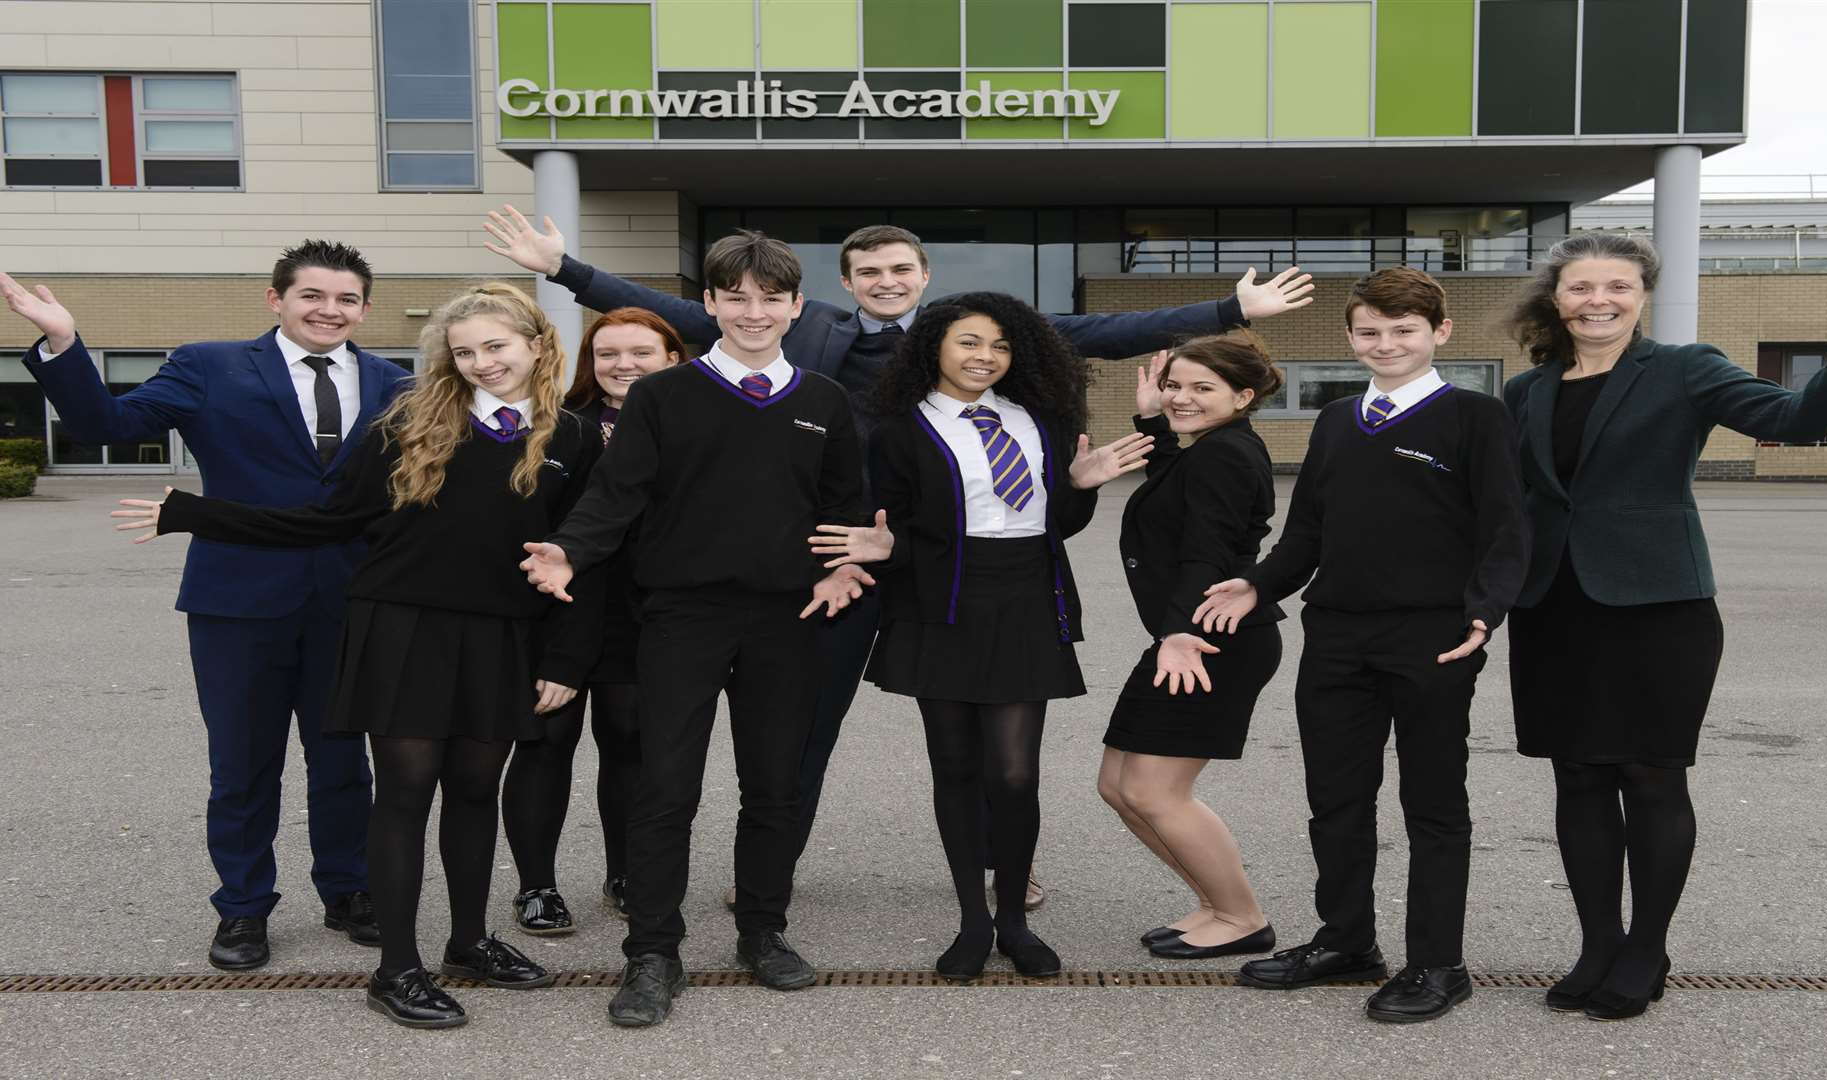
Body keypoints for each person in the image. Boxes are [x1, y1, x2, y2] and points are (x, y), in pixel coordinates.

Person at [484, 207, 1316, 911]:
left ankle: (1006, 866)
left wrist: (1225, 308)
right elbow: (684, 316)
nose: (885, 282)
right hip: (836, 559)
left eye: (898, 269)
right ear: (845, 285)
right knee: (802, 728)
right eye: (868, 272)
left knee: (977, 732)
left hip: (938, 563)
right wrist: (564, 268)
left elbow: (1101, 331)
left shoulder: (971, 336)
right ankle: (771, 877)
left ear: (923, 274)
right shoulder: (804, 332)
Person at [110, 282, 603, 1028]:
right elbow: (325, 520)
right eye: (464, 351)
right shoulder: (408, 422)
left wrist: (565, 661)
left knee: (475, 790)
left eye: (495, 347)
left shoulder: (567, 437)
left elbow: (580, 559)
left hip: (504, 636)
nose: (480, 363)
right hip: (402, 629)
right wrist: (193, 513)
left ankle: (468, 942)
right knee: (406, 793)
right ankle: (396, 968)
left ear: (537, 343)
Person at [1499, 235, 1827, 1021]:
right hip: (1553, 606)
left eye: (1616, 286)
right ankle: (1597, 943)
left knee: (1650, 777)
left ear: (1642, 294)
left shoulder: (1686, 369)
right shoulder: (1528, 390)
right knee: (1578, 777)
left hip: (1660, 607)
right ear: (1556, 298)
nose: (1599, 300)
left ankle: (1646, 948)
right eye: (1581, 286)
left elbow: (1792, 420)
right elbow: (1512, 501)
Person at [2, 243, 407, 971]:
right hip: (237, 599)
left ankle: (350, 891)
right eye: (312, 295)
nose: (329, 310)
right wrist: (64, 343)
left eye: (346, 300)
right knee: (244, 763)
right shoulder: (209, 365)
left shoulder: (395, 383)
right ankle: (244, 908)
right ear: (275, 299)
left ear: (366, 310)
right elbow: (108, 425)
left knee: (344, 758)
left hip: (352, 599)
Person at [518, 231, 870, 1028]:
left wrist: (847, 567)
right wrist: (571, 553)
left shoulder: (822, 401)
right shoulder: (663, 397)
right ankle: (652, 951)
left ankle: (762, 931)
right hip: (681, 616)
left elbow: (843, 507)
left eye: (770, 298)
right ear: (708, 303)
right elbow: (617, 493)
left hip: (787, 619)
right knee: (663, 786)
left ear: (794, 306)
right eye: (735, 297)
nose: (754, 312)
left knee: (775, 786)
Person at [1194, 268, 1529, 1023]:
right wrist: (1259, 584)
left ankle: (1438, 963)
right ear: (1351, 338)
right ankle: (1346, 939)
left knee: (1433, 804)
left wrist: (1484, 614)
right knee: (1336, 800)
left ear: (1439, 333)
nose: (1387, 345)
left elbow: (1507, 526)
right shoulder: (1340, 419)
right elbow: (1307, 529)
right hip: (1338, 635)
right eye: (1371, 332)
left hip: (1433, 637)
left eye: (1404, 331)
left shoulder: (1477, 418)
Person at [810, 292, 1153, 979]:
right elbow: (897, 528)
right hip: (942, 606)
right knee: (958, 770)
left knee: (1015, 772)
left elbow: (1052, 522)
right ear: (933, 346)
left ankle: (1015, 920)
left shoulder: (1043, 421)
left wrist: (1080, 488)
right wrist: (885, 550)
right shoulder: (898, 430)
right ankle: (972, 920)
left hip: (1027, 599)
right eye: (970, 342)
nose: (985, 357)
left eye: (999, 346)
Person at [1095, 336, 1286, 964]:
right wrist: (1152, 417)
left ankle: (1240, 916)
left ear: (1243, 395)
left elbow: (1205, 547)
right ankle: (1214, 903)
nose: (1183, 397)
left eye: (1202, 388)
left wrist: (1178, 632)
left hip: (1207, 640)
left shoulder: (1224, 456)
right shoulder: (1215, 449)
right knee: (1120, 784)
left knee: (1154, 791)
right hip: (1189, 634)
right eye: (1176, 384)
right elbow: (1174, 486)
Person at [500, 308, 687, 935]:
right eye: (608, 353)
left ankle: (627, 872)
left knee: (630, 742)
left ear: (673, 360)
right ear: (589, 362)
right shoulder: (559, 429)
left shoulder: (689, 425)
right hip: (559, 611)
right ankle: (536, 886)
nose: (623, 365)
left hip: (645, 615)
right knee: (545, 743)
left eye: (641, 352)